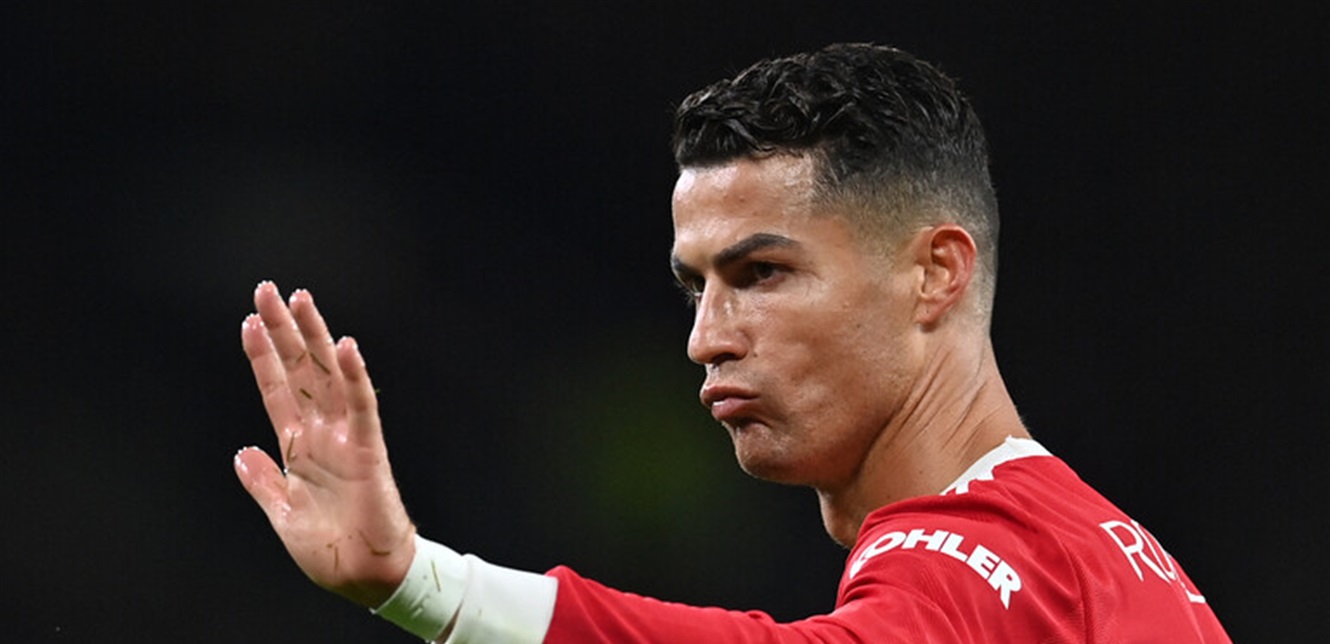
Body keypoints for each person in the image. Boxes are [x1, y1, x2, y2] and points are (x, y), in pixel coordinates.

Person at [234, 43, 1230, 642]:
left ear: (935, 273)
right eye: (695, 287)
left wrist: (421, 583)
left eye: (761, 275)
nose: (705, 339)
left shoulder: (975, 557)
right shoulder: (1099, 556)